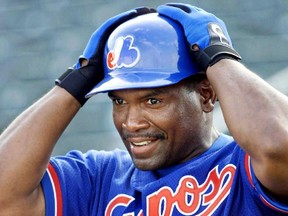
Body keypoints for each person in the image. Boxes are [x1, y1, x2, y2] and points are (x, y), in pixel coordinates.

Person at [0, 2, 288, 215]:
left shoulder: (242, 166)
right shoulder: (98, 178)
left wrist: (220, 57)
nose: (131, 122)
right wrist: (75, 82)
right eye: (119, 101)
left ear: (206, 94)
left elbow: (279, 144)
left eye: (153, 100)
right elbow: (5, 194)